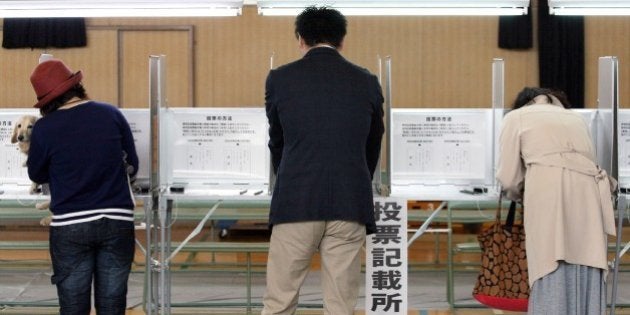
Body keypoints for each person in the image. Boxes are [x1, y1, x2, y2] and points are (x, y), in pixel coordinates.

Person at [262, 6, 384, 315]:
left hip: (296, 201)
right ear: (342, 40)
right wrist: (356, 175)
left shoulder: (280, 78)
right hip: (349, 202)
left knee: (280, 299)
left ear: (300, 39)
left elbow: (277, 140)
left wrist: (289, 173)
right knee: (341, 305)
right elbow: (373, 141)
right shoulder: (366, 80)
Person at [27, 59, 139, 315]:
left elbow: (36, 172)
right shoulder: (111, 114)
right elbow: (133, 164)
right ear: (77, 85)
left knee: (73, 306)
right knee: (112, 305)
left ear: (48, 102)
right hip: (117, 220)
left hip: (70, 225)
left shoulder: (44, 127)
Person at [496, 87, 616, 314]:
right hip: (590, 192)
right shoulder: (576, 119)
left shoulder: (516, 117)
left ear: (524, 103)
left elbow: (509, 178)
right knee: (587, 259)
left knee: (549, 262)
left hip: (548, 190)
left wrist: (518, 194)